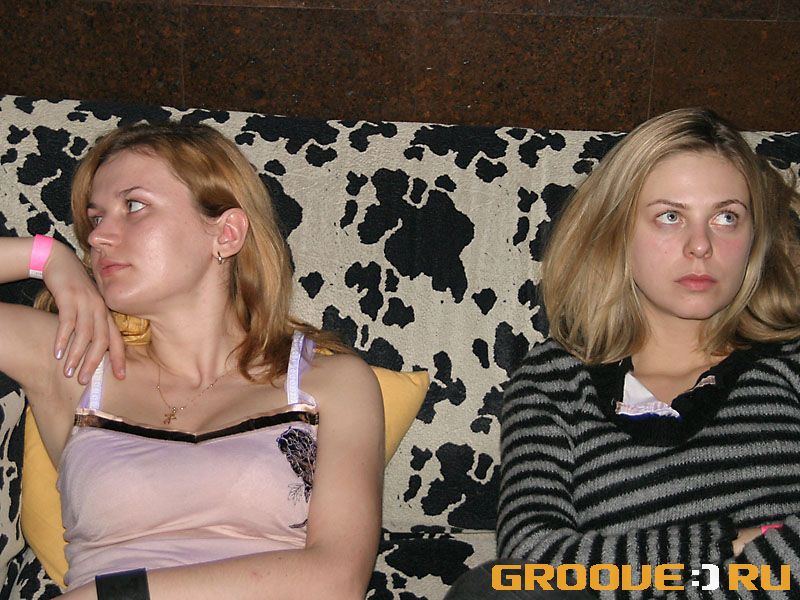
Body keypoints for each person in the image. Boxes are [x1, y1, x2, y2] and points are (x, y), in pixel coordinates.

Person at [0, 122, 384, 599]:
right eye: (95, 220)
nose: (98, 238)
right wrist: (45, 256)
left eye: (134, 206)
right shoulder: (75, 360)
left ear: (226, 233)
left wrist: (108, 597)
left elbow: (337, 579)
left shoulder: (331, 383)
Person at [448, 108, 800, 599]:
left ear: (753, 238)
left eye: (726, 218)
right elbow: (531, 554)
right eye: (670, 217)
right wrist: (721, 544)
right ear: (617, 231)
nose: (701, 246)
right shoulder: (552, 379)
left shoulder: (788, 362)